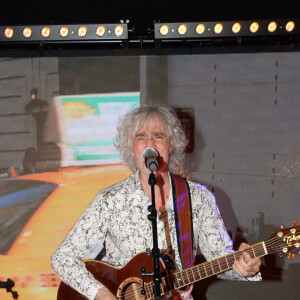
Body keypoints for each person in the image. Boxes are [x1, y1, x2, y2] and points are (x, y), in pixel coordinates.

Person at [51, 103, 262, 300]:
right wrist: (100, 293)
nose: (149, 143)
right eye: (140, 136)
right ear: (131, 148)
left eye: (158, 135)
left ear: (171, 146)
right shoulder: (110, 200)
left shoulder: (198, 198)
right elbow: (62, 258)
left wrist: (245, 267)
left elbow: (221, 260)